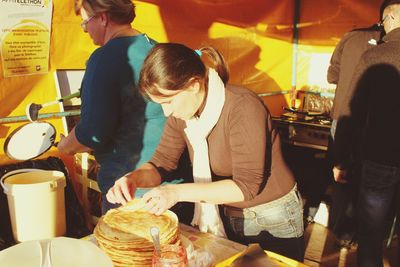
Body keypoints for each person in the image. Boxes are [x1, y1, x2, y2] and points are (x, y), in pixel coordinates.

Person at [107, 43, 305, 261]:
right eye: (160, 104)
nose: (167, 111)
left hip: (270, 217)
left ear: (193, 84)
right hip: (225, 214)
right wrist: (133, 179)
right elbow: (162, 162)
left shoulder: (242, 106)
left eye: (169, 101)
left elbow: (246, 187)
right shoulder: (182, 114)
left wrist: (176, 193)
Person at [57, 0, 166, 214]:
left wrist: (65, 147)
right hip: (170, 183)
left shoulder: (103, 59)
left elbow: (93, 133)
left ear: (103, 18)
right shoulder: (156, 48)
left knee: (127, 247)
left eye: (85, 23)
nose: (85, 30)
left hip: (129, 190)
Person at [334, 0, 400, 266]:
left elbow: (352, 114)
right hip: (381, 157)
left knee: (371, 234)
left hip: (380, 157)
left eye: (382, 23)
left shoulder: (375, 57)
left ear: (392, 19)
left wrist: (341, 159)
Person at [327, 22, 384, 247]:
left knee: (340, 173)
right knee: (367, 175)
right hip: (370, 120)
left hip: (341, 116)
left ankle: (338, 230)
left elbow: (332, 75)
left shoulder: (349, 36)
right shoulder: (387, 43)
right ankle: (354, 232)